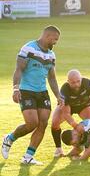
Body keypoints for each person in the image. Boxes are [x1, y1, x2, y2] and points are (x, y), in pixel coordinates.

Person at [2, 25, 63, 165]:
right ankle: (9, 139)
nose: (55, 42)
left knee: (43, 123)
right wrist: (15, 88)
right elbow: (19, 69)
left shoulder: (51, 55)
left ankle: (28, 156)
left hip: (42, 92)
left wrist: (58, 95)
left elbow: (52, 78)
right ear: (47, 36)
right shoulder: (29, 48)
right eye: (55, 39)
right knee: (32, 123)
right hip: (27, 90)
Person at [51, 69, 90, 158]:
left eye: (78, 81)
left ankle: (83, 147)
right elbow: (66, 114)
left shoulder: (89, 84)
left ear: (81, 78)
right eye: (73, 83)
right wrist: (76, 126)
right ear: (68, 82)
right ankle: (58, 148)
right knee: (55, 122)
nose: (76, 84)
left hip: (84, 105)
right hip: (68, 107)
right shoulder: (64, 90)